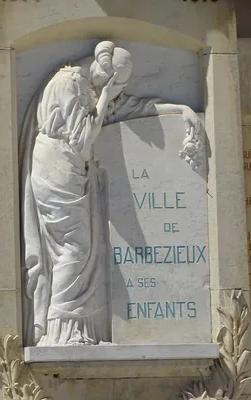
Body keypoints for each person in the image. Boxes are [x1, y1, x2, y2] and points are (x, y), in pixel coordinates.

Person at [19, 41, 201, 346]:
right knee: (73, 249)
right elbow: (84, 142)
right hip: (58, 167)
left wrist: (181, 110)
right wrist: (104, 94)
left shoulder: (88, 86)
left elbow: (133, 107)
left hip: (70, 167)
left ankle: (75, 329)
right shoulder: (70, 84)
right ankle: (61, 332)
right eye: (113, 86)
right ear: (104, 75)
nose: (113, 94)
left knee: (82, 250)